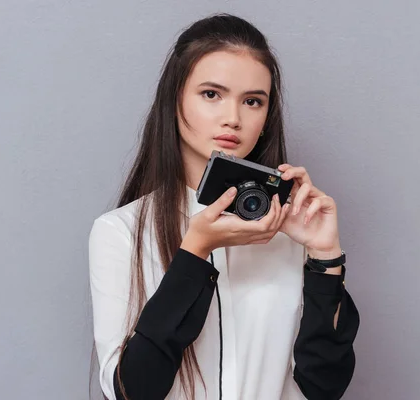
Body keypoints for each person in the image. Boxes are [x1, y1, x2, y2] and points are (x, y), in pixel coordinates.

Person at [88, 13, 359, 400]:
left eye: (252, 101)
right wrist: (194, 252)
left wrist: (325, 255)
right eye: (211, 94)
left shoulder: (289, 231)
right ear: (175, 98)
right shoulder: (120, 232)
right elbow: (133, 391)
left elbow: (324, 385)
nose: (232, 119)